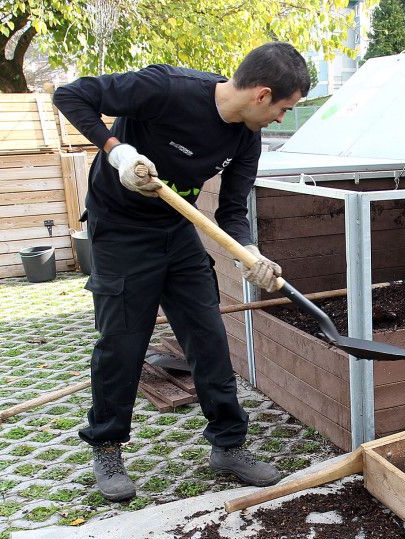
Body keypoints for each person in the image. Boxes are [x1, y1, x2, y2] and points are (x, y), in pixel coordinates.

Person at [53, 42, 309, 501]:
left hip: (177, 230)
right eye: (284, 109)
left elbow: (232, 209)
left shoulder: (245, 139)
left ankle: (228, 447)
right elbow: (71, 95)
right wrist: (117, 152)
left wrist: (247, 253)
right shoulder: (167, 89)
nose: (281, 120)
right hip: (120, 231)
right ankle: (107, 446)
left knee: (207, 337)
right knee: (122, 343)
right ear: (262, 94)